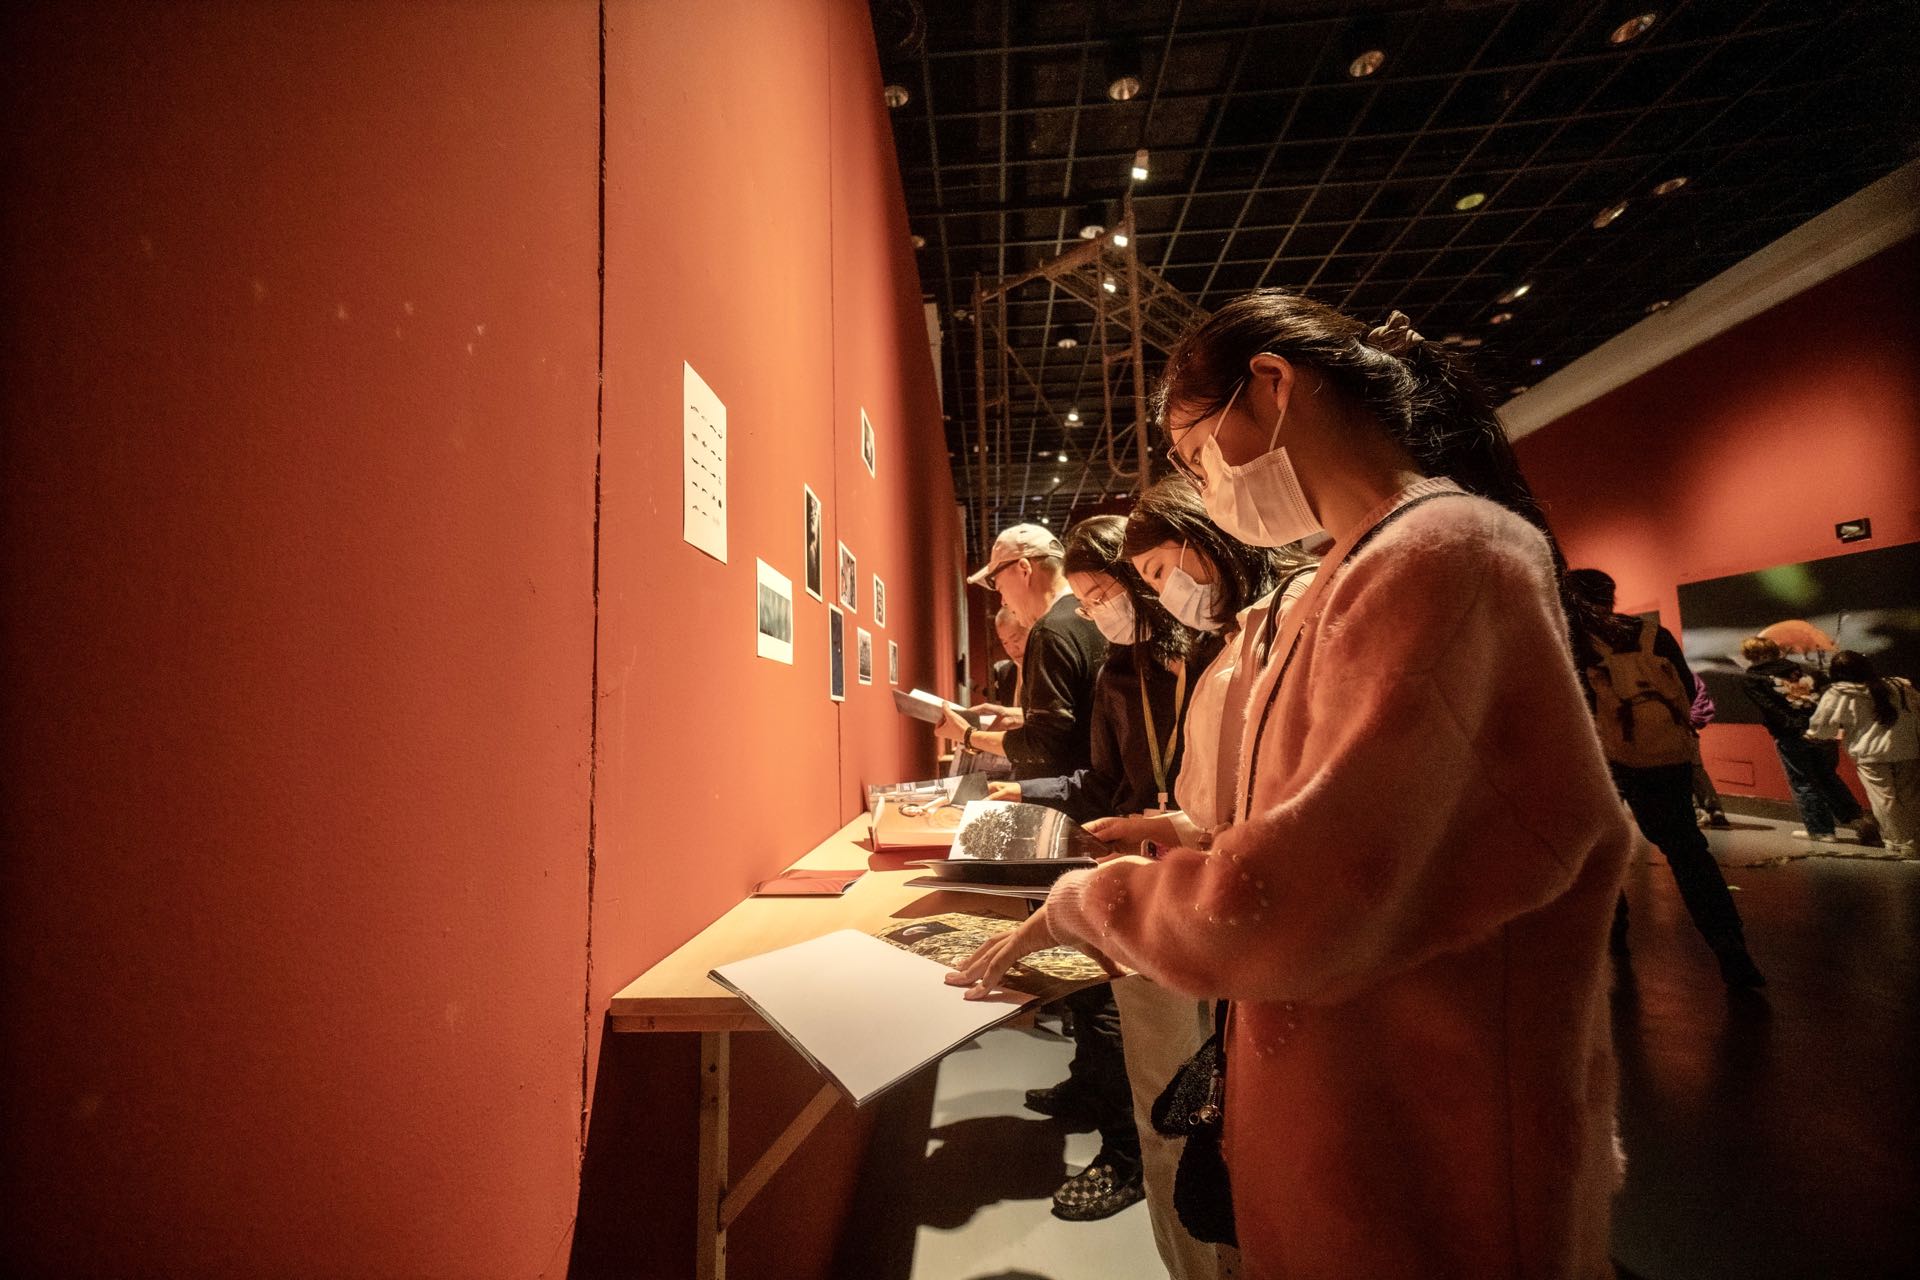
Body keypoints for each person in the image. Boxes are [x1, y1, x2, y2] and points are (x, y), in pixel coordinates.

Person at [947, 296, 1633, 1279]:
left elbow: (1310, 893)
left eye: (1197, 454)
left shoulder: (1438, 556)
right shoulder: (1367, 566)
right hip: (1350, 1113)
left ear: (1271, 386)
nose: (1206, 485)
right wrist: (1194, 835)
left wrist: (1084, 904)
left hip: (1426, 1133)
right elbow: (1344, 825)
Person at [988, 515, 1225, 1223]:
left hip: (1200, 863)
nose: (1095, 613)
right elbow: (1102, 779)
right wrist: (1031, 793)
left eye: (1104, 596)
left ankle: (1134, 1157)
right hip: (1137, 860)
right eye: (1088, 601)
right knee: (1131, 1017)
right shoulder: (1120, 672)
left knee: (1175, 1042)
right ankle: (1125, 1143)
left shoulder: (1210, 658)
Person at [1563, 569, 1764, 987]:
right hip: (1662, 755)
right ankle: (1729, 944)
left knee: (1598, 850)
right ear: (1611, 595)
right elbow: (1686, 690)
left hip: (1598, 760)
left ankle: (1614, 932)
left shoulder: (1570, 640)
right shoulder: (1652, 634)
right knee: (1688, 851)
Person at [937, 523, 1107, 780]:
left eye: (999, 587)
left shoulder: (1049, 631)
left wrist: (968, 735)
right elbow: (1081, 718)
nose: (1003, 601)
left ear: (1024, 569)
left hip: (1065, 793)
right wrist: (1019, 715)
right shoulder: (1092, 614)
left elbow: (1043, 747)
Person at [1741, 636, 1881, 846]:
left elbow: (1770, 708)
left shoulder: (1753, 678)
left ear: (1754, 655)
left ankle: (1821, 831)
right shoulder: (1803, 669)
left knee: (1803, 782)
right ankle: (1860, 823)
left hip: (1792, 735)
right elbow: (1827, 694)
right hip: (1823, 731)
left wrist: (1795, 727)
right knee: (1828, 777)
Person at [1808, 650, 1919, 855]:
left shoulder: (1839, 693)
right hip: (1907, 748)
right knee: (1910, 798)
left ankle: (1901, 843)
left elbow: (1823, 726)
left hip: (1870, 753)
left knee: (1884, 799)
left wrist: (1814, 735)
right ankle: (1912, 841)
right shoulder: (1897, 685)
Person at [1687, 679, 1732, 828]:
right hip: (1679, 728)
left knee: (1689, 770)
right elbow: (1701, 696)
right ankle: (1712, 811)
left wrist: (1690, 722)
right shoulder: (1685, 673)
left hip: (1677, 729)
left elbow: (1700, 696)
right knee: (1695, 770)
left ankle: (1704, 811)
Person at [986, 606, 1029, 709]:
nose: (1011, 650)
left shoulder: (1047, 669)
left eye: (1016, 640)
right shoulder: (1005, 673)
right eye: (1005, 642)